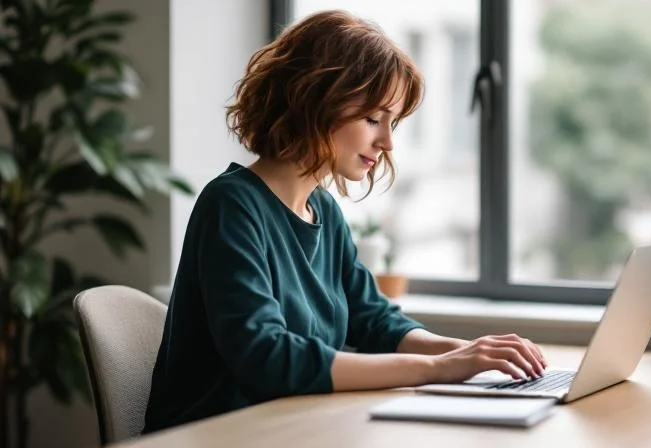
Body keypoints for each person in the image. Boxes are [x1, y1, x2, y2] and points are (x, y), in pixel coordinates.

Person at [143, 9, 548, 434]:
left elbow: (373, 320)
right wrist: (434, 368)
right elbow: (266, 356)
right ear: (314, 100)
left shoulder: (325, 211)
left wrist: (469, 355)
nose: (387, 142)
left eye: (392, 123)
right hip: (216, 436)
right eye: (373, 119)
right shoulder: (231, 205)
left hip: (292, 429)